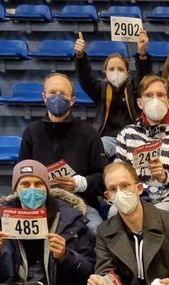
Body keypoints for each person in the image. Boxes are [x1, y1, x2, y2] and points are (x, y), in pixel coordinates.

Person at [18, 73, 109, 230]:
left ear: (72, 100)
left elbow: (103, 179)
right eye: (52, 93)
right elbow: (20, 176)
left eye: (63, 94)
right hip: (40, 204)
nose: (57, 97)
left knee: (96, 231)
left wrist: (79, 184)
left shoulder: (89, 133)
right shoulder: (31, 132)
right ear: (44, 97)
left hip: (81, 203)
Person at [114, 74, 169, 230]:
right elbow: (118, 180)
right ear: (140, 103)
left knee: (158, 214)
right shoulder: (127, 135)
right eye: (149, 95)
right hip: (137, 200)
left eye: (160, 95)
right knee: (113, 212)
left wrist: (166, 177)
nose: (154, 100)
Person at [73, 30, 150, 158]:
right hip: (107, 139)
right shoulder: (101, 89)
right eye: (111, 69)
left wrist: (142, 54)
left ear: (127, 73)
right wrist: (80, 57)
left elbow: (144, 76)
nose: (116, 72)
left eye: (120, 69)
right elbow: (86, 79)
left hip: (133, 138)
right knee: (94, 150)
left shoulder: (134, 89)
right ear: (105, 72)